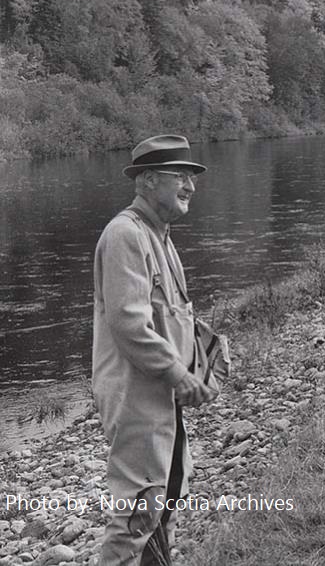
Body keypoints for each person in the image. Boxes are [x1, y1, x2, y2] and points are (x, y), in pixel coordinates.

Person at [92, 134, 215, 565]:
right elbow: (129, 324)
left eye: (191, 177)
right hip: (136, 398)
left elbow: (172, 316)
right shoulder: (125, 234)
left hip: (163, 395)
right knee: (137, 515)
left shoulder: (160, 234)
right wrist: (178, 374)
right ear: (147, 180)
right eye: (179, 176)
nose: (190, 186)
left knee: (168, 500)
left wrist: (203, 359)